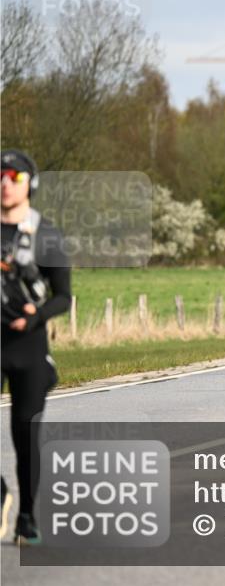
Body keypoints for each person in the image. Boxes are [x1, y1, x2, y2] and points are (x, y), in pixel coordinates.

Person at [1, 150, 72, 546]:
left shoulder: (45, 234)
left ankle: (27, 516)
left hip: (27, 345)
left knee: (25, 436)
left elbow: (64, 298)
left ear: (30, 183)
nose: (6, 182)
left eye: (14, 175)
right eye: (0, 175)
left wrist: (34, 317)